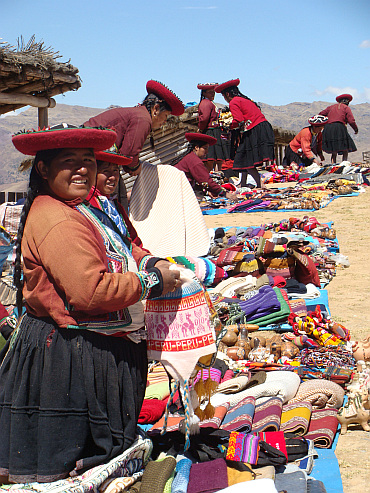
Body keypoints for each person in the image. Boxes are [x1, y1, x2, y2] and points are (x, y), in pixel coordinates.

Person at [0, 124, 180, 484]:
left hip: (91, 347)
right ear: (44, 169)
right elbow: (91, 292)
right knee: (70, 464)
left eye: (88, 160)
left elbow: (122, 247)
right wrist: (153, 281)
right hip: (69, 356)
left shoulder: (85, 207)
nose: (83, 169)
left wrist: (149, 261)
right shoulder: (58, 219)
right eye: (70, 161)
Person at [84, 80, 184, 209]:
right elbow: (129, 153)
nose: (164, 121)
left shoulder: (138, 114)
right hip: (95, 161)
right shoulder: (143, 119)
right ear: (156, 108)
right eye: (165, 116)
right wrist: (136, 168)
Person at [215, 78, 275, 188]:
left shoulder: (234, 102)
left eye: (224, 96)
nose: (225, 99)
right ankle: (243, 183)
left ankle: (260, 184)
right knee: (243, 157)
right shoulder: (244, 100)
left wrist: (229, 128)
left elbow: (238, 119)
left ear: (227, 94)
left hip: (254, 129)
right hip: (262, 127)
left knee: (247, 159)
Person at [172, 132, 228, 198]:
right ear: (197, 147)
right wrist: (224, 193)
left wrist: (207, 191)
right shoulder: (194, 161)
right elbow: (206, 180)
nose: (207, 152)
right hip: (177, 193)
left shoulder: (189, 157)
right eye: (205, 148)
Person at [197, 82, 230, 171]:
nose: (213, 94)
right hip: (210, 132)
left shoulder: (208, 103)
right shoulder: (206, 103)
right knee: (211, 158)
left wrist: (200, 129)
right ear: (204, 93)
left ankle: (216, 176)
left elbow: (204, 119)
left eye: (213, 92)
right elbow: (204, 118)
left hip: (212, 131)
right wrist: (201, 128)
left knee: (215, 158)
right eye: (210, 92)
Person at [319, 93, 358, 164]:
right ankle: (344, 163)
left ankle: (333, 165)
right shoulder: (346, 108)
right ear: (347, 102)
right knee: (345, 147)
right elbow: (351, 120)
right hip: (339, 127)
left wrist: (324, 124)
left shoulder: (330, 107)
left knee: (334, 149)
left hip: (328, 128)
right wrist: (355, 129)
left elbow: (320, 114)